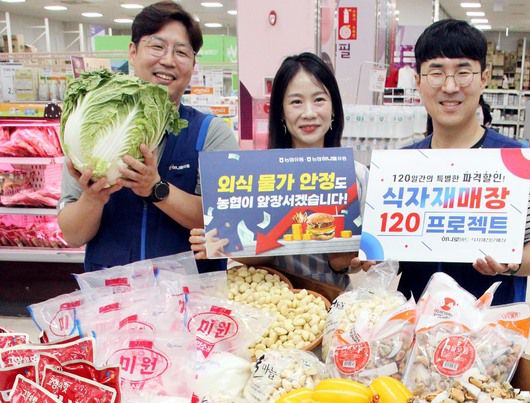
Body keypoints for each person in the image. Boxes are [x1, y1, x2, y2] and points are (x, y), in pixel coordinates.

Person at [57, 1, 238, 272]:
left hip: (190, 292)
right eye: (157, 46)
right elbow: (73, 235)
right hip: (112, 291)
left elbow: (226, 221)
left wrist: (156, 188)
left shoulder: (211, 133)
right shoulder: (93, 129)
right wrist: (93, 199)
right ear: (133, 51)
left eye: (181, 52)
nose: (168, 60)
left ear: (193, 64)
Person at [397, 20, 530, 305]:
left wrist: (511, 263)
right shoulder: (403, 164)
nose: (450, 86)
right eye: (436, 72)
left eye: (463, 72)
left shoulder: (519, 161)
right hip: (414, 322)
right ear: (418, 80)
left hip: (490, 322)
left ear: (484, 77)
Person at [191, 52, 372, 288]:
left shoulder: (357, 176)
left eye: (319, 99)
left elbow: (348, 261)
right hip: (272, 299)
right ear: (281, 113)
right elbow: (259, 252)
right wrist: (222, 243)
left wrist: (350, 259)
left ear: (334, 108)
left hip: (333, 300)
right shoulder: (258, 177)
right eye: (296, 102)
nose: (309, 113)